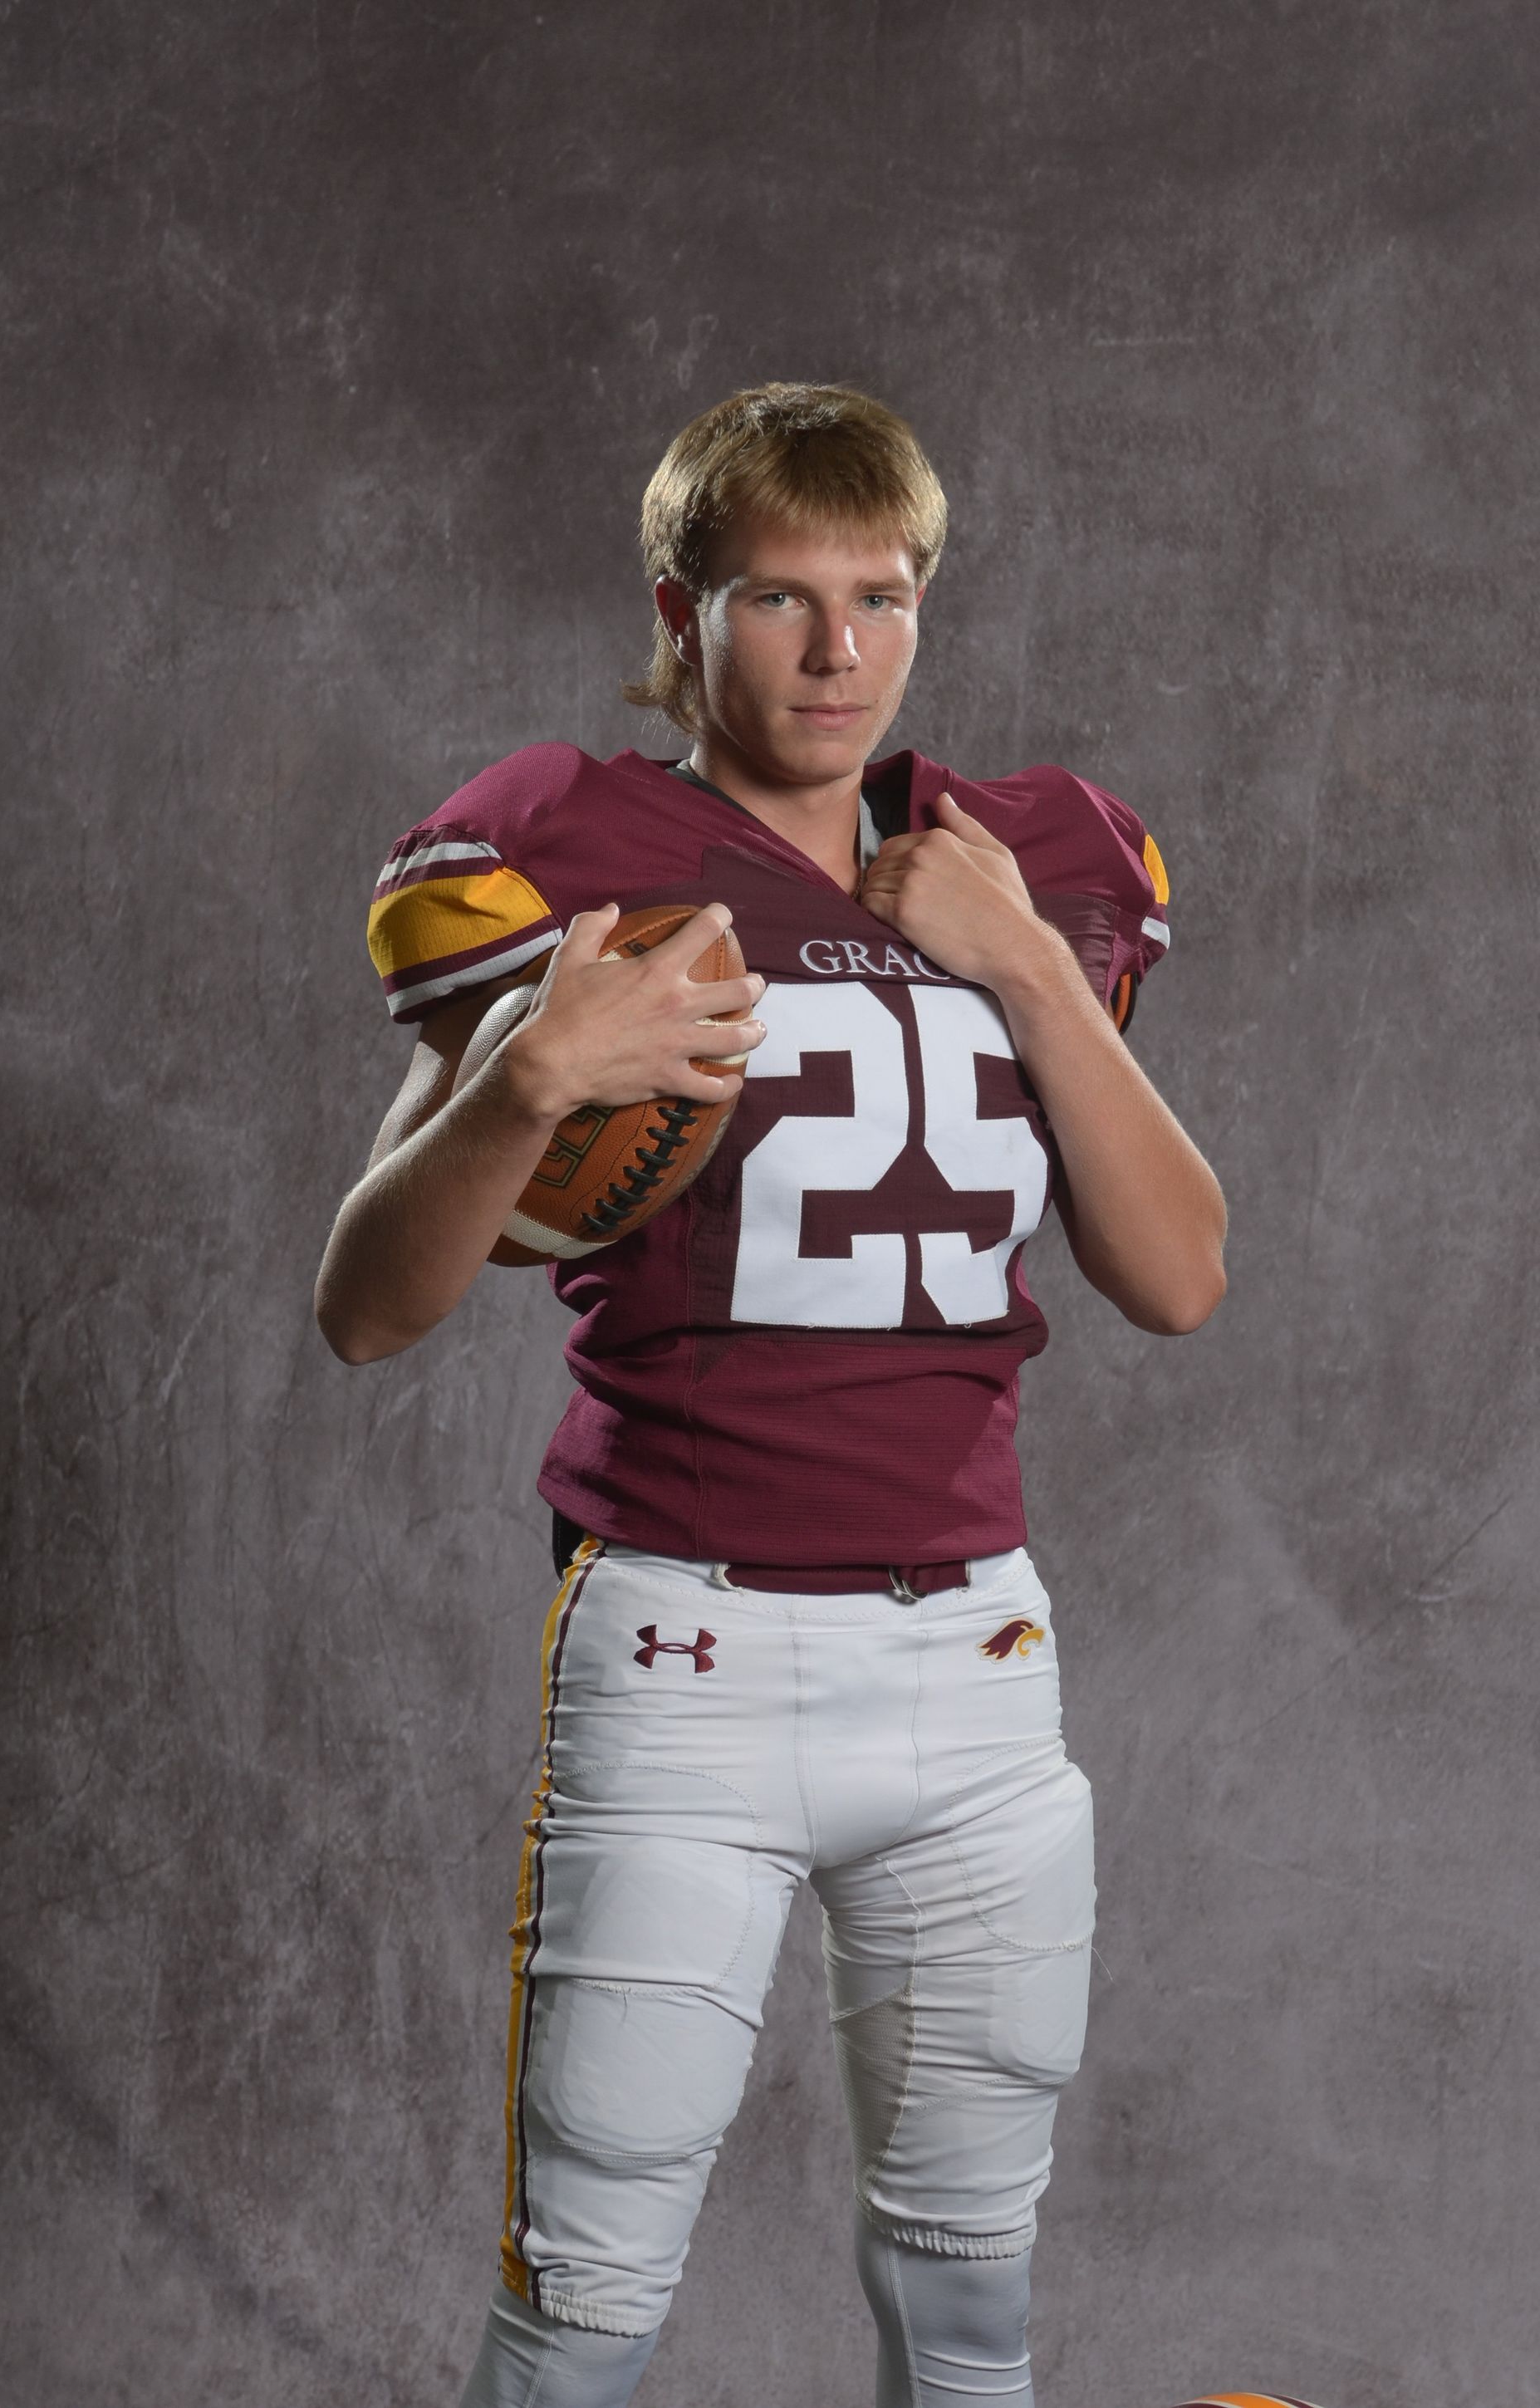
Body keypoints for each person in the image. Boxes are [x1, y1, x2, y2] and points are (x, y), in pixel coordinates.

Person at [315, 382, 1227, 2408]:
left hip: (980, 1662)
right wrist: (534, 1077)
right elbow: (366, 1306)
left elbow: (1175, 1274)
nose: (838, 649)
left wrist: (1032, 971)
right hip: (686, 1643)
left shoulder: (1028, 866)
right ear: (683, 608)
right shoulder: (587, 857)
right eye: (781, 598)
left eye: (883, 595)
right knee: (587, 2292)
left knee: (972, 2307)